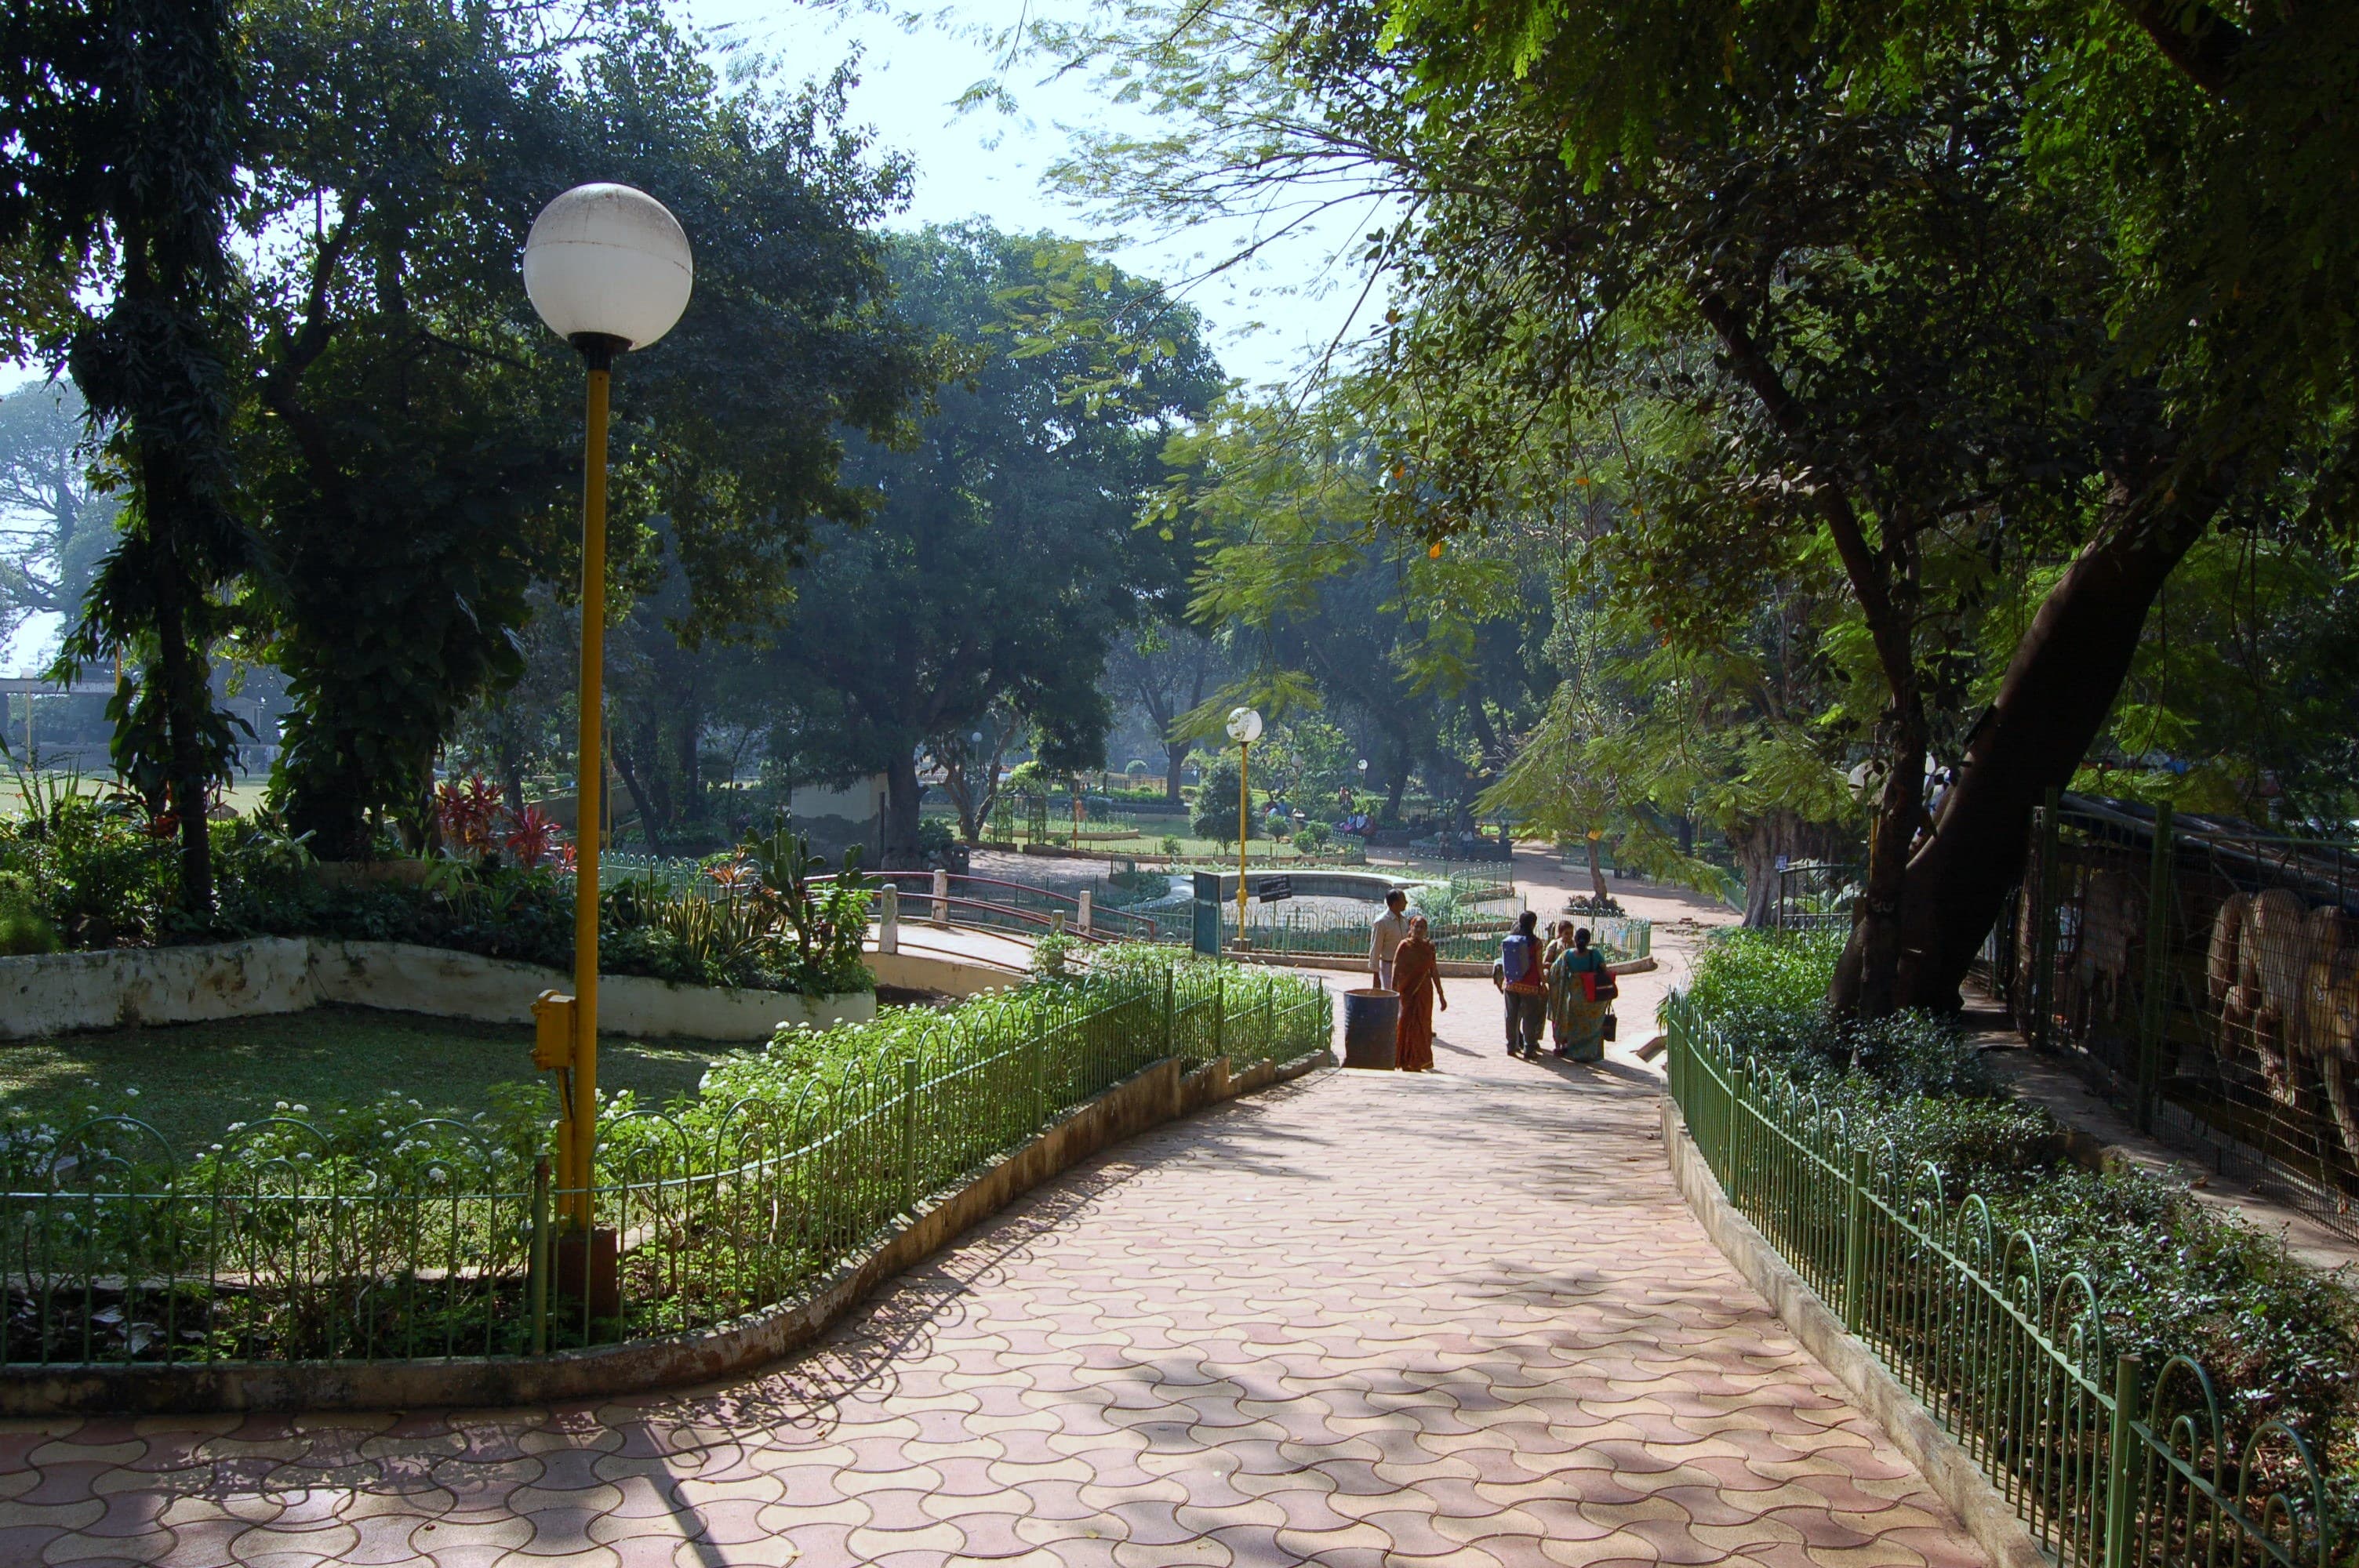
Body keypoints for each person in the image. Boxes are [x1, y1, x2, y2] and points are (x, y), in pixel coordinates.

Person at [1548, 926, 1612, 1062]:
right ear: (1588, 941)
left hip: (1576, 997)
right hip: (1594, 997)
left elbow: (1554, 972)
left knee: (1576, 1025)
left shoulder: (1567, 954)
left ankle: (1575, 1052)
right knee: (1592, 1026)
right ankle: (1590, 1053)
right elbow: (1604, 971)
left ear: (1575, 940)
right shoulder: (1595, 954)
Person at [1391, 913, 1445, 1071]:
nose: (1419, 930)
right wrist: (1393, 988)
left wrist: (1441, 994)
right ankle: (1405, 1060)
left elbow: (1433, 970)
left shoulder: (1429, 947)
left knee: (1423, 1025)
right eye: (1417, 926)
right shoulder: (1404, 945)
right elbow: (1396, 966)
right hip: (1408, 990)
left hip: (1425, 990)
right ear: (1411, 928)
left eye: (1423, 927)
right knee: (1406, 1024)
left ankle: (1420, 1061)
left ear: (1426, 930)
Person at [1492, 909, 1547, 1058]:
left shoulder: (1510, 939)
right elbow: (1539, 965)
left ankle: (1511, 1046)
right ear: (1533, 924)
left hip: (1510, 983)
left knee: (1511, 1016)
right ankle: (1529, 1048)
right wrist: (1543, 982)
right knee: (1529, 1017)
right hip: (1530, 985)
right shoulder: (1536, 943)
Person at [1370, 888, 1411, 989]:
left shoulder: (1404, 920)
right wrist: (1376, 975)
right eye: (1403, 900)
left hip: (1404, 967)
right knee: (1390, 997)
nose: (1406, 902)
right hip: (1388, 967)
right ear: (1395, 903)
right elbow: (1376, 948)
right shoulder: (1382, 922)